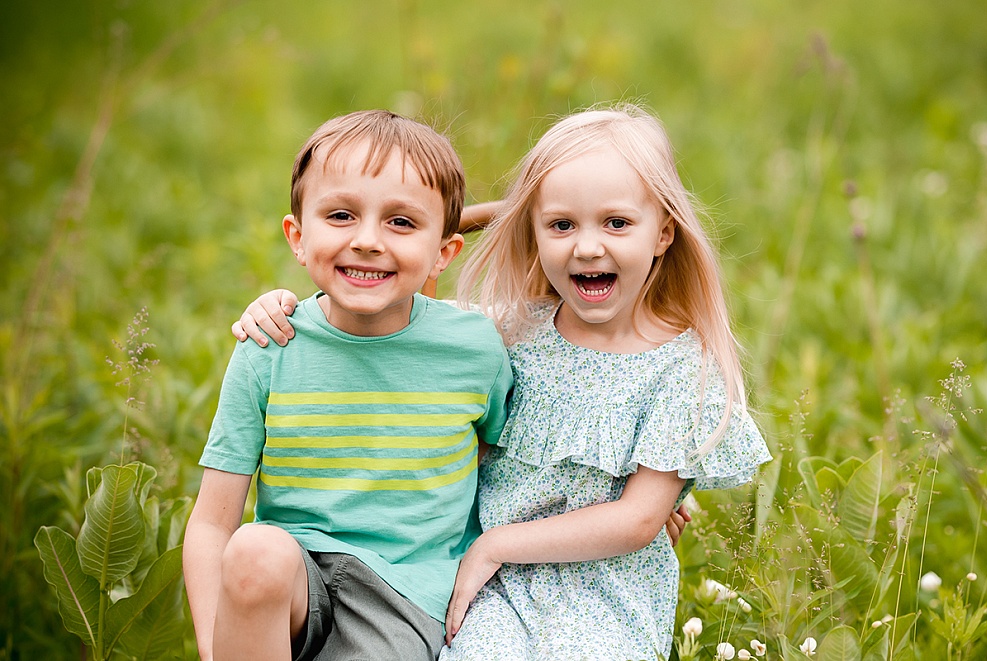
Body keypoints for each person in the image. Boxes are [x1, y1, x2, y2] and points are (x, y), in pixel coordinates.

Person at [235, 103, 768, 660]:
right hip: (489, 588)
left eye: (616, 222)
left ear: (663, 232)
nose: (587, 247)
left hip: (603, 588)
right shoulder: (514, 328)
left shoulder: (684, 367)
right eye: (562, 224)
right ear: (534, 233)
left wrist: (497, 546)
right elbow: (401, 297)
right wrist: (286, 305)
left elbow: (636, 520)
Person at [182, 109, 516, 661]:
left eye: (401, 223)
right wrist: (217, 647)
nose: (366, 241)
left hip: (402, 594)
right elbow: (214, 523)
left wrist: (632, 498)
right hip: (292, 581)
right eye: (340, 215)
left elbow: (515, 458)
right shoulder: (270, 344)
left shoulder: (475, 348)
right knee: (254, 549)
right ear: (298, 236)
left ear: (445, 252)